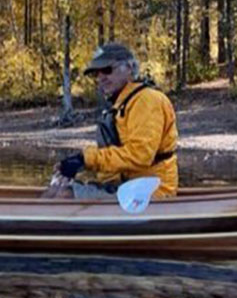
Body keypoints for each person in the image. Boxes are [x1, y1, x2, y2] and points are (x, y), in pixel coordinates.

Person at [43, 42, 178, 200]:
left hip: (149, 191)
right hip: (123, 186)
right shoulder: (119, 104)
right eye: (96, 73)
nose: (101, 77)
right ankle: (33, 221)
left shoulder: (146, 100)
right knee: (54, 190)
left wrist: (86, 159)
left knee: (64, 196)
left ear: (128, 68)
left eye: (107, 70)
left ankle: (31, 222)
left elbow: (140, 155)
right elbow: (115, 154)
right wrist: (77, 161)